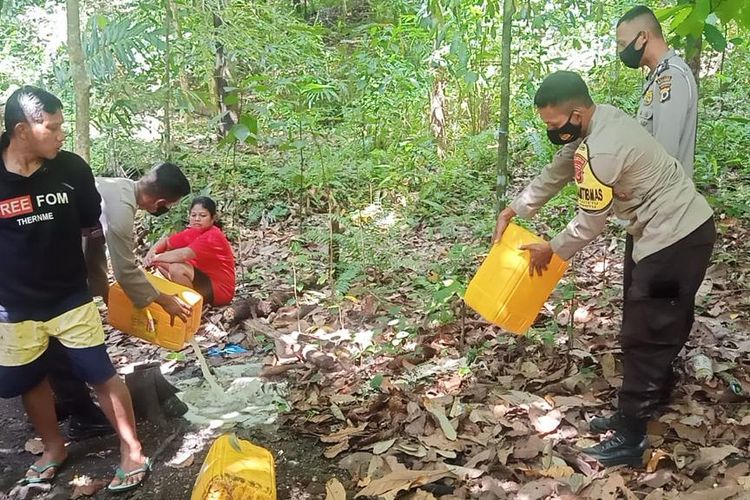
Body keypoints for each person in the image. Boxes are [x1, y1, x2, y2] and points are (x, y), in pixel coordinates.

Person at [492, 71, 715, 466]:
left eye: (553, 123)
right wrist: (516, 208)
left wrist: (552, 249)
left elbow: (590, 222)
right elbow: (560, 167)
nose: (550, 130)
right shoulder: (599, 120)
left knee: (647, 329)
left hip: (676, 239)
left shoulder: (604, 150)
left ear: (576, 113)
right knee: (650, 317)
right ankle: (648, 400)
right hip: (659, 232)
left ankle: (630, 436)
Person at [0, 85, 150, 491]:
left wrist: (97, 282)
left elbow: (91, 228)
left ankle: (132, 451)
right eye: (52, 127)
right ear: (22, 129)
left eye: (62, 125)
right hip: (13, 306)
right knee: (29, 380)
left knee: (101, 372)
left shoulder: (72, 169)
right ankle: (54, 448)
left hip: (70, 297)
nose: (61, 133)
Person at [613, 4, 700, 414]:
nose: (620, 51)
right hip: (648, 216)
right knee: (643, 300)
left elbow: (661, 155)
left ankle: (653, 393)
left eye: (622, 43)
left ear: (643, 37)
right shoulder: (655, 80)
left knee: (659, 304)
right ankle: (653, 386)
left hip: (668, 217)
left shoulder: (671, 80)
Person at [144, 196, 236, 306]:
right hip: (202, 280)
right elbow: (166, 242)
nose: (197, 219)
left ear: (213, 218)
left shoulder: (213, 236)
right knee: (161, 262)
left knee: (176, 268)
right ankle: (180, 293)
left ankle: (192, 304)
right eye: (193, 215)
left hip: (220, 291)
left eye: (202, 215)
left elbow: (183, 255)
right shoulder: (194, 232)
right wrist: (150, 255)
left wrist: (154, 258)